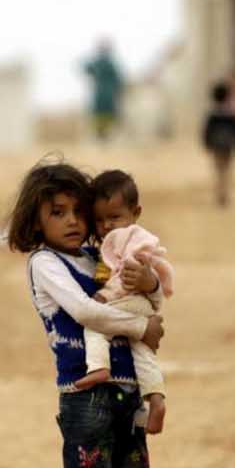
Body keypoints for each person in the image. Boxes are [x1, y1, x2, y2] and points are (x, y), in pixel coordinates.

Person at [6, 160, 173, 468]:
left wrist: (150, 283)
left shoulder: (100, 257)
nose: (73, 222)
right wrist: (141, 327)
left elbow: (148, 296)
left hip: (126, 394)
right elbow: (85, 311)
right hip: (85, 398)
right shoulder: (45, 264)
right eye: (58, 213)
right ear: (35, 221)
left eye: (79, 211)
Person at [75, 170, 173, 435]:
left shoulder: (130, 241)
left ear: (135, 212)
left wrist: (104, 297)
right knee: (143, 354)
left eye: (114, 217)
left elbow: (124, 278)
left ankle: (98, 366)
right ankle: (156, 399)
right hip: (140, 307)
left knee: (95, 326)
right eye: (99, 220)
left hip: (128, 301)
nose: (107, 226)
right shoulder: (116, 242)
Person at [201, 81, 235, 208]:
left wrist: (206, 144)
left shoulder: (212, 114)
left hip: (216, 146)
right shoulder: (232, 114)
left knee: (219, 170)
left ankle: (220, 194)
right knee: (227, 170)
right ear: (227, 96)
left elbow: (206, 131)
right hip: (228, 146)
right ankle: (224, 194)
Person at [83, 41, 125, 142]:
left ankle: (103, 136)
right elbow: (118, 81)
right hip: (105, 96)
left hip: (104, 96)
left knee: (103, 116)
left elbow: (87, 69)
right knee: (104, 116)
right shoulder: (108, 63)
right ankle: (103, 136)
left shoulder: (103, 63)